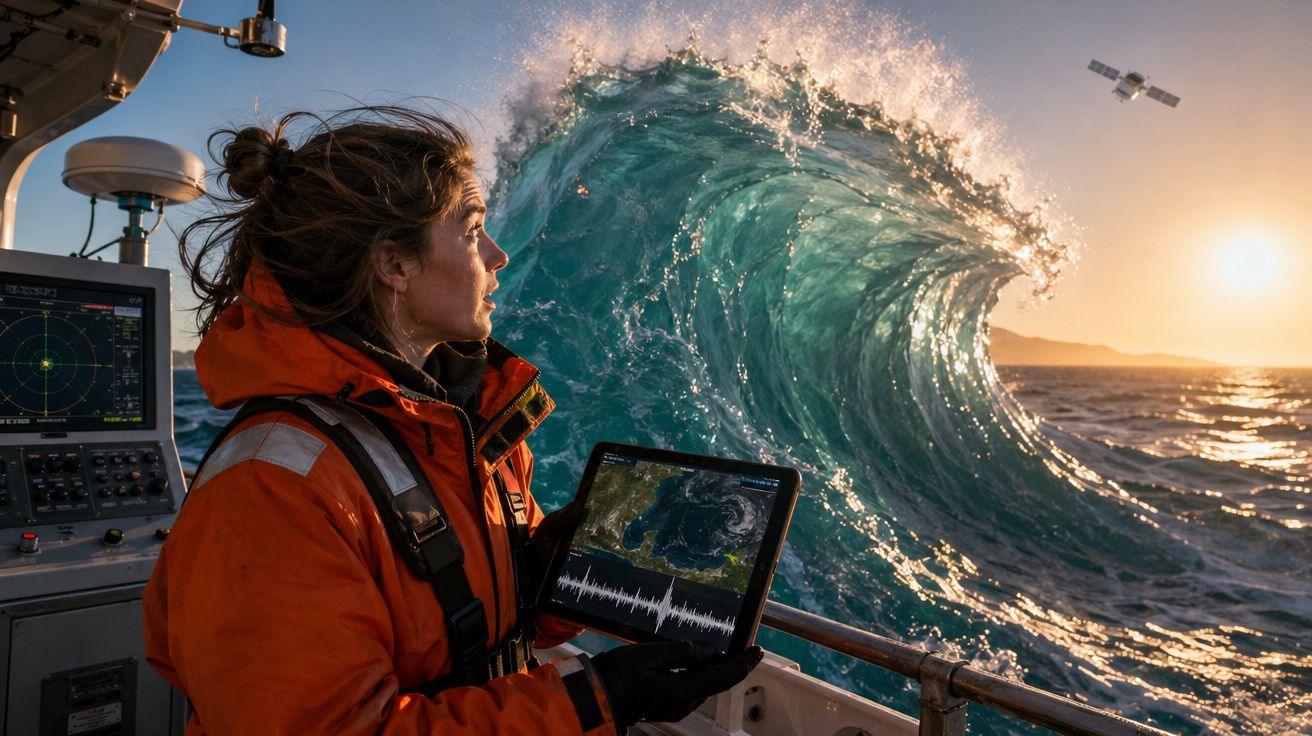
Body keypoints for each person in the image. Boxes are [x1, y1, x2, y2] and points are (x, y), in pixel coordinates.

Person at [142, 105, 763, 735]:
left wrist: (536, 578)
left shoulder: (466, 424)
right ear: (395, 265)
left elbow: (469, 640)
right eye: (472, 231)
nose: (499, 255)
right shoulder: (269, 492)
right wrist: (597, 700)